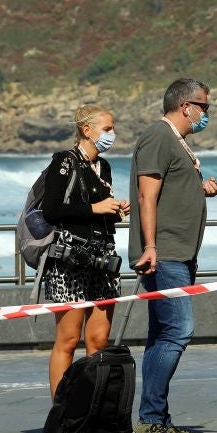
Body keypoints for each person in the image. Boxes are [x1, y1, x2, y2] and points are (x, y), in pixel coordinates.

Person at [128, 78, 217, 433]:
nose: (206, 113)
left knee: (162, 333)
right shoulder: (159, 136)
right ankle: (151, 418)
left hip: (178, 252)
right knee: (178, 329)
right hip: (164, 253)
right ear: (186, 106)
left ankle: (155, 419)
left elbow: (170, 188)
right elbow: (145, 195)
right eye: (205, 106)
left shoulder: (177, 143)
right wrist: (149, 246)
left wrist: (201, 189)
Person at [42, 104, 129, 399]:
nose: (111, 134)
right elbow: (51, 210)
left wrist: (115, 211)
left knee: (99, 339)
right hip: (70, 259)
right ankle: (60, 410)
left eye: (112, 128)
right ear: (86, 130)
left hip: (102, 257)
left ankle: (94, 407)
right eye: (107, 129)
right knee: (67, 339)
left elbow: (97, 213)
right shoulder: (64, 162)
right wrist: (95, 208)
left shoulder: (103, 167)